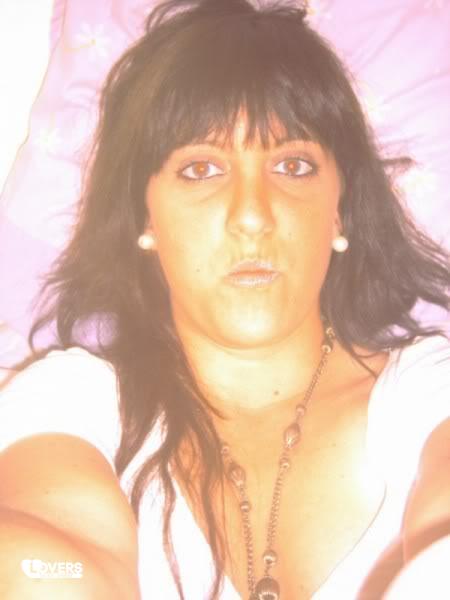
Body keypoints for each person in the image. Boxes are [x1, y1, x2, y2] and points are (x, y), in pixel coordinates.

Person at [0, 0, 449, 598]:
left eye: (293, 165)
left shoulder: (430, 393)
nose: (252, 215)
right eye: (201, 170)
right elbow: (46, 568)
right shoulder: (72, 402)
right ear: (145, 218)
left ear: (339, 211)